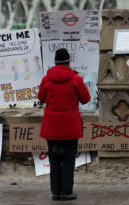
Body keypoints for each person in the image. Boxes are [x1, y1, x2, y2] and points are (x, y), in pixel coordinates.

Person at [38, 48, 90, 201]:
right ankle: (66, 192)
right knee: (68, 158)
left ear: (55, 62)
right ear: (68, 62)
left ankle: (56, 192)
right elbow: (86, 99)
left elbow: (41, 97)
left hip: (51, 126)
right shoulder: (76, 79)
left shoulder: (46, 79)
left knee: (54, 158)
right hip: (70, 127)